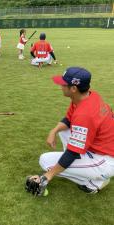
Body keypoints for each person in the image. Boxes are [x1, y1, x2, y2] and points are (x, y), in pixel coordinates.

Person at [26, 67, 114, 196]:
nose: (61, 86)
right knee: (64, 130)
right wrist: (53, 131)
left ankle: (96, 182)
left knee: (45, 161)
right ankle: (82, 166)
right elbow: (68, 119)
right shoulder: (88, 96)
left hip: (105, 160)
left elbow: (73, 152)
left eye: (63, 84)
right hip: (99, 147)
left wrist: (47, 176)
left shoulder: (85, 114)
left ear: (73, 89)